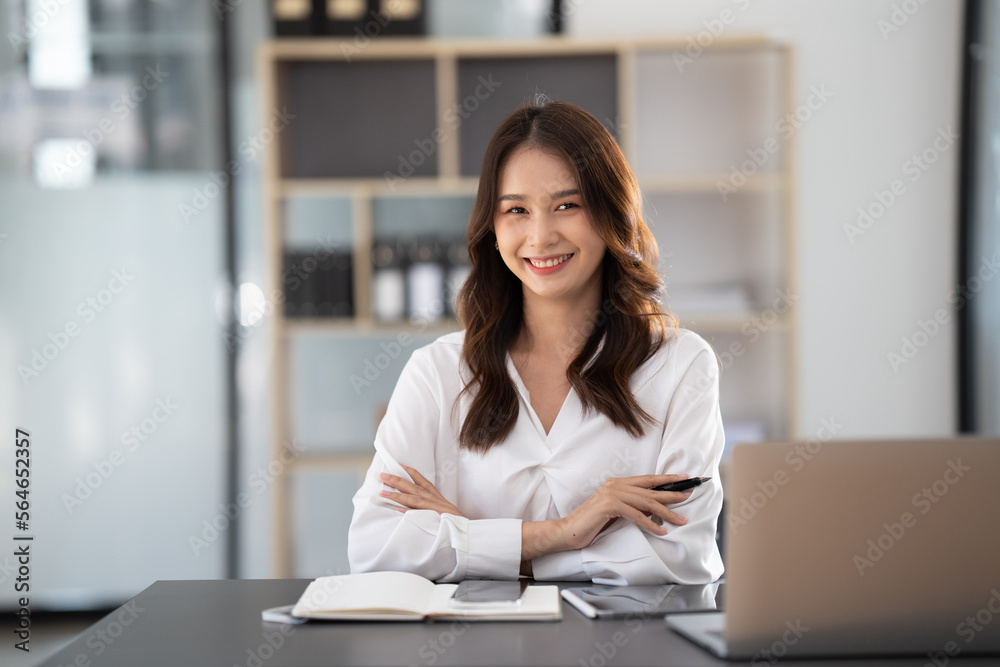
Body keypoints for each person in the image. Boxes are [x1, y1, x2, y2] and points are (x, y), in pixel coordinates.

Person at [348, 100, 724, 586]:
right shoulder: (437, 371)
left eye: (568, 205)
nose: (541, 235)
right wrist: (564, 533)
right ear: (492, 225)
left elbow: (679, 558)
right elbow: (375, 548)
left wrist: (470, 537)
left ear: (611, 211)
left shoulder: (680, 365)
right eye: (516, 210)